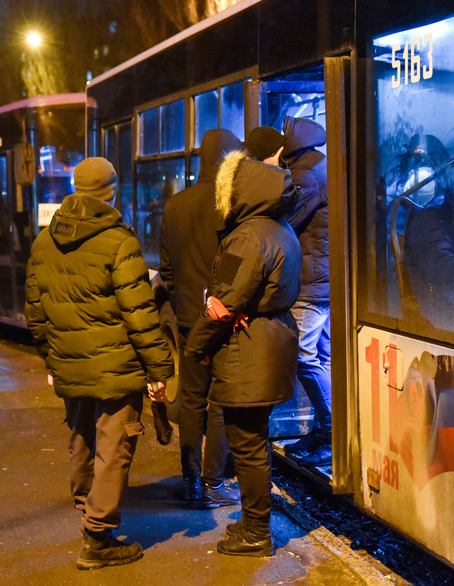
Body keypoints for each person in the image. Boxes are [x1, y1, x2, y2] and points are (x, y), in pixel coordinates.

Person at [25, 157, 174, 570]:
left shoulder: (43, 242)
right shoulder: (120, 243)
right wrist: (160, 371)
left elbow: (35, 312)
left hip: (70, 365)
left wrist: (50, 358)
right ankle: (97, 538)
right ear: (112, 190)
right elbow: (140, 315)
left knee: (82, 438)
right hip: (116, 369)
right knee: (116, 446)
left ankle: (86, 511)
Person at [185, 149, 302, 557]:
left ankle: (256, 532)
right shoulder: (279, 228)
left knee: (248, 446)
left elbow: (223, 302)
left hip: (248, 351)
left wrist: (195, 348)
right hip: (271, 343)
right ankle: (254, 525)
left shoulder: (247, 236)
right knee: (255, 441)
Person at [159, 129, 242, 508]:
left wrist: (183, 305)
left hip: (189, 319)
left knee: (191, 400)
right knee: (222, 400)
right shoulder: (232, 204)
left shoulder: (175, 205)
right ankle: (214, 483)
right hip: (224, 320)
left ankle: (191, 481)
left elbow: (167, 270)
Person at [246, 120, 332, 466]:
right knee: (321, 359)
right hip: (324, 279)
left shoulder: (304, 174)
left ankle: (330, 433)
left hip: (311, 283)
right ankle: (323, 430)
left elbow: (283, 220)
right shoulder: (318, 163)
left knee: (304, 357)